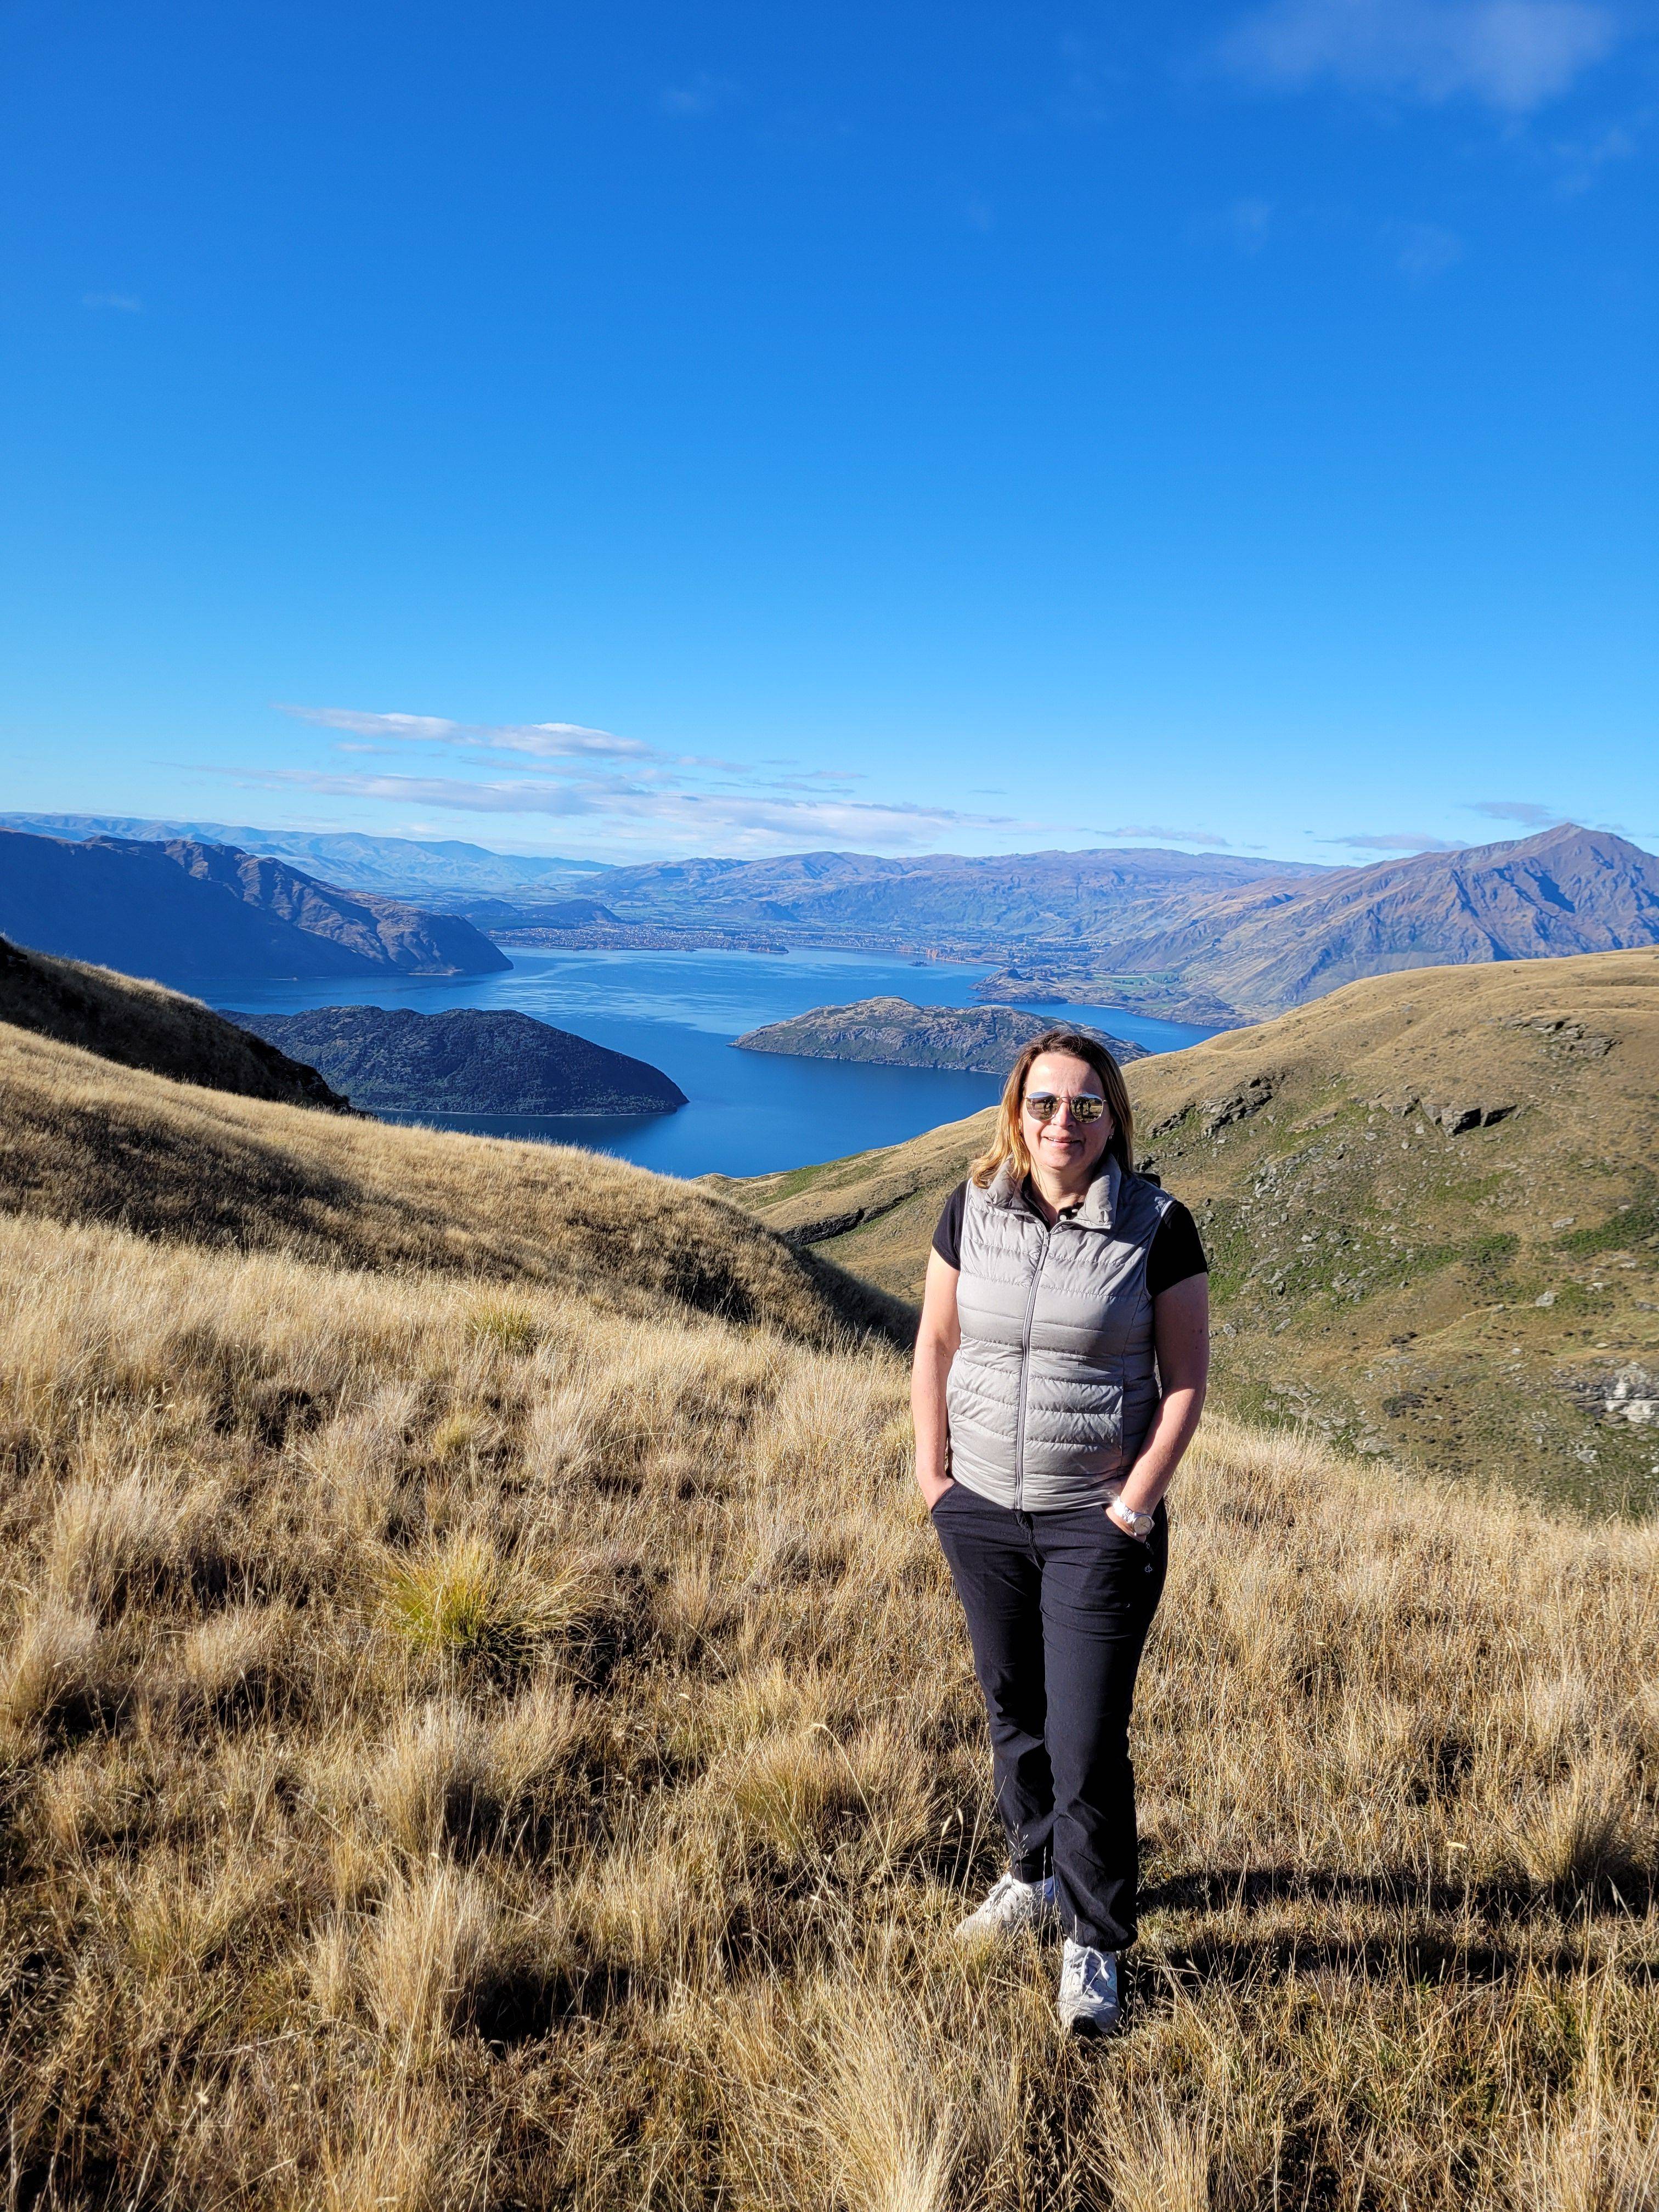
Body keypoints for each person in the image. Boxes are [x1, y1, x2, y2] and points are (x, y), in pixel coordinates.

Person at [912, 1028, 1209, 2034]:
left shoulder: (1158, 1228)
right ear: (1016, 1111)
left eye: (1086, 1105)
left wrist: (1133, 1506)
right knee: (1014, 1712)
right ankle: (1032, 1875)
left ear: (1114, 1117)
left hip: (1096, 1522)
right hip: (982, 1511)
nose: (1063, 1123)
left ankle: (1094, 1944)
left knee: (1086, 1741)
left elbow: (1187, 1385)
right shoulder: (971, 1209)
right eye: (1045, 1104)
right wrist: (934, 1476)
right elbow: (937, 1342)